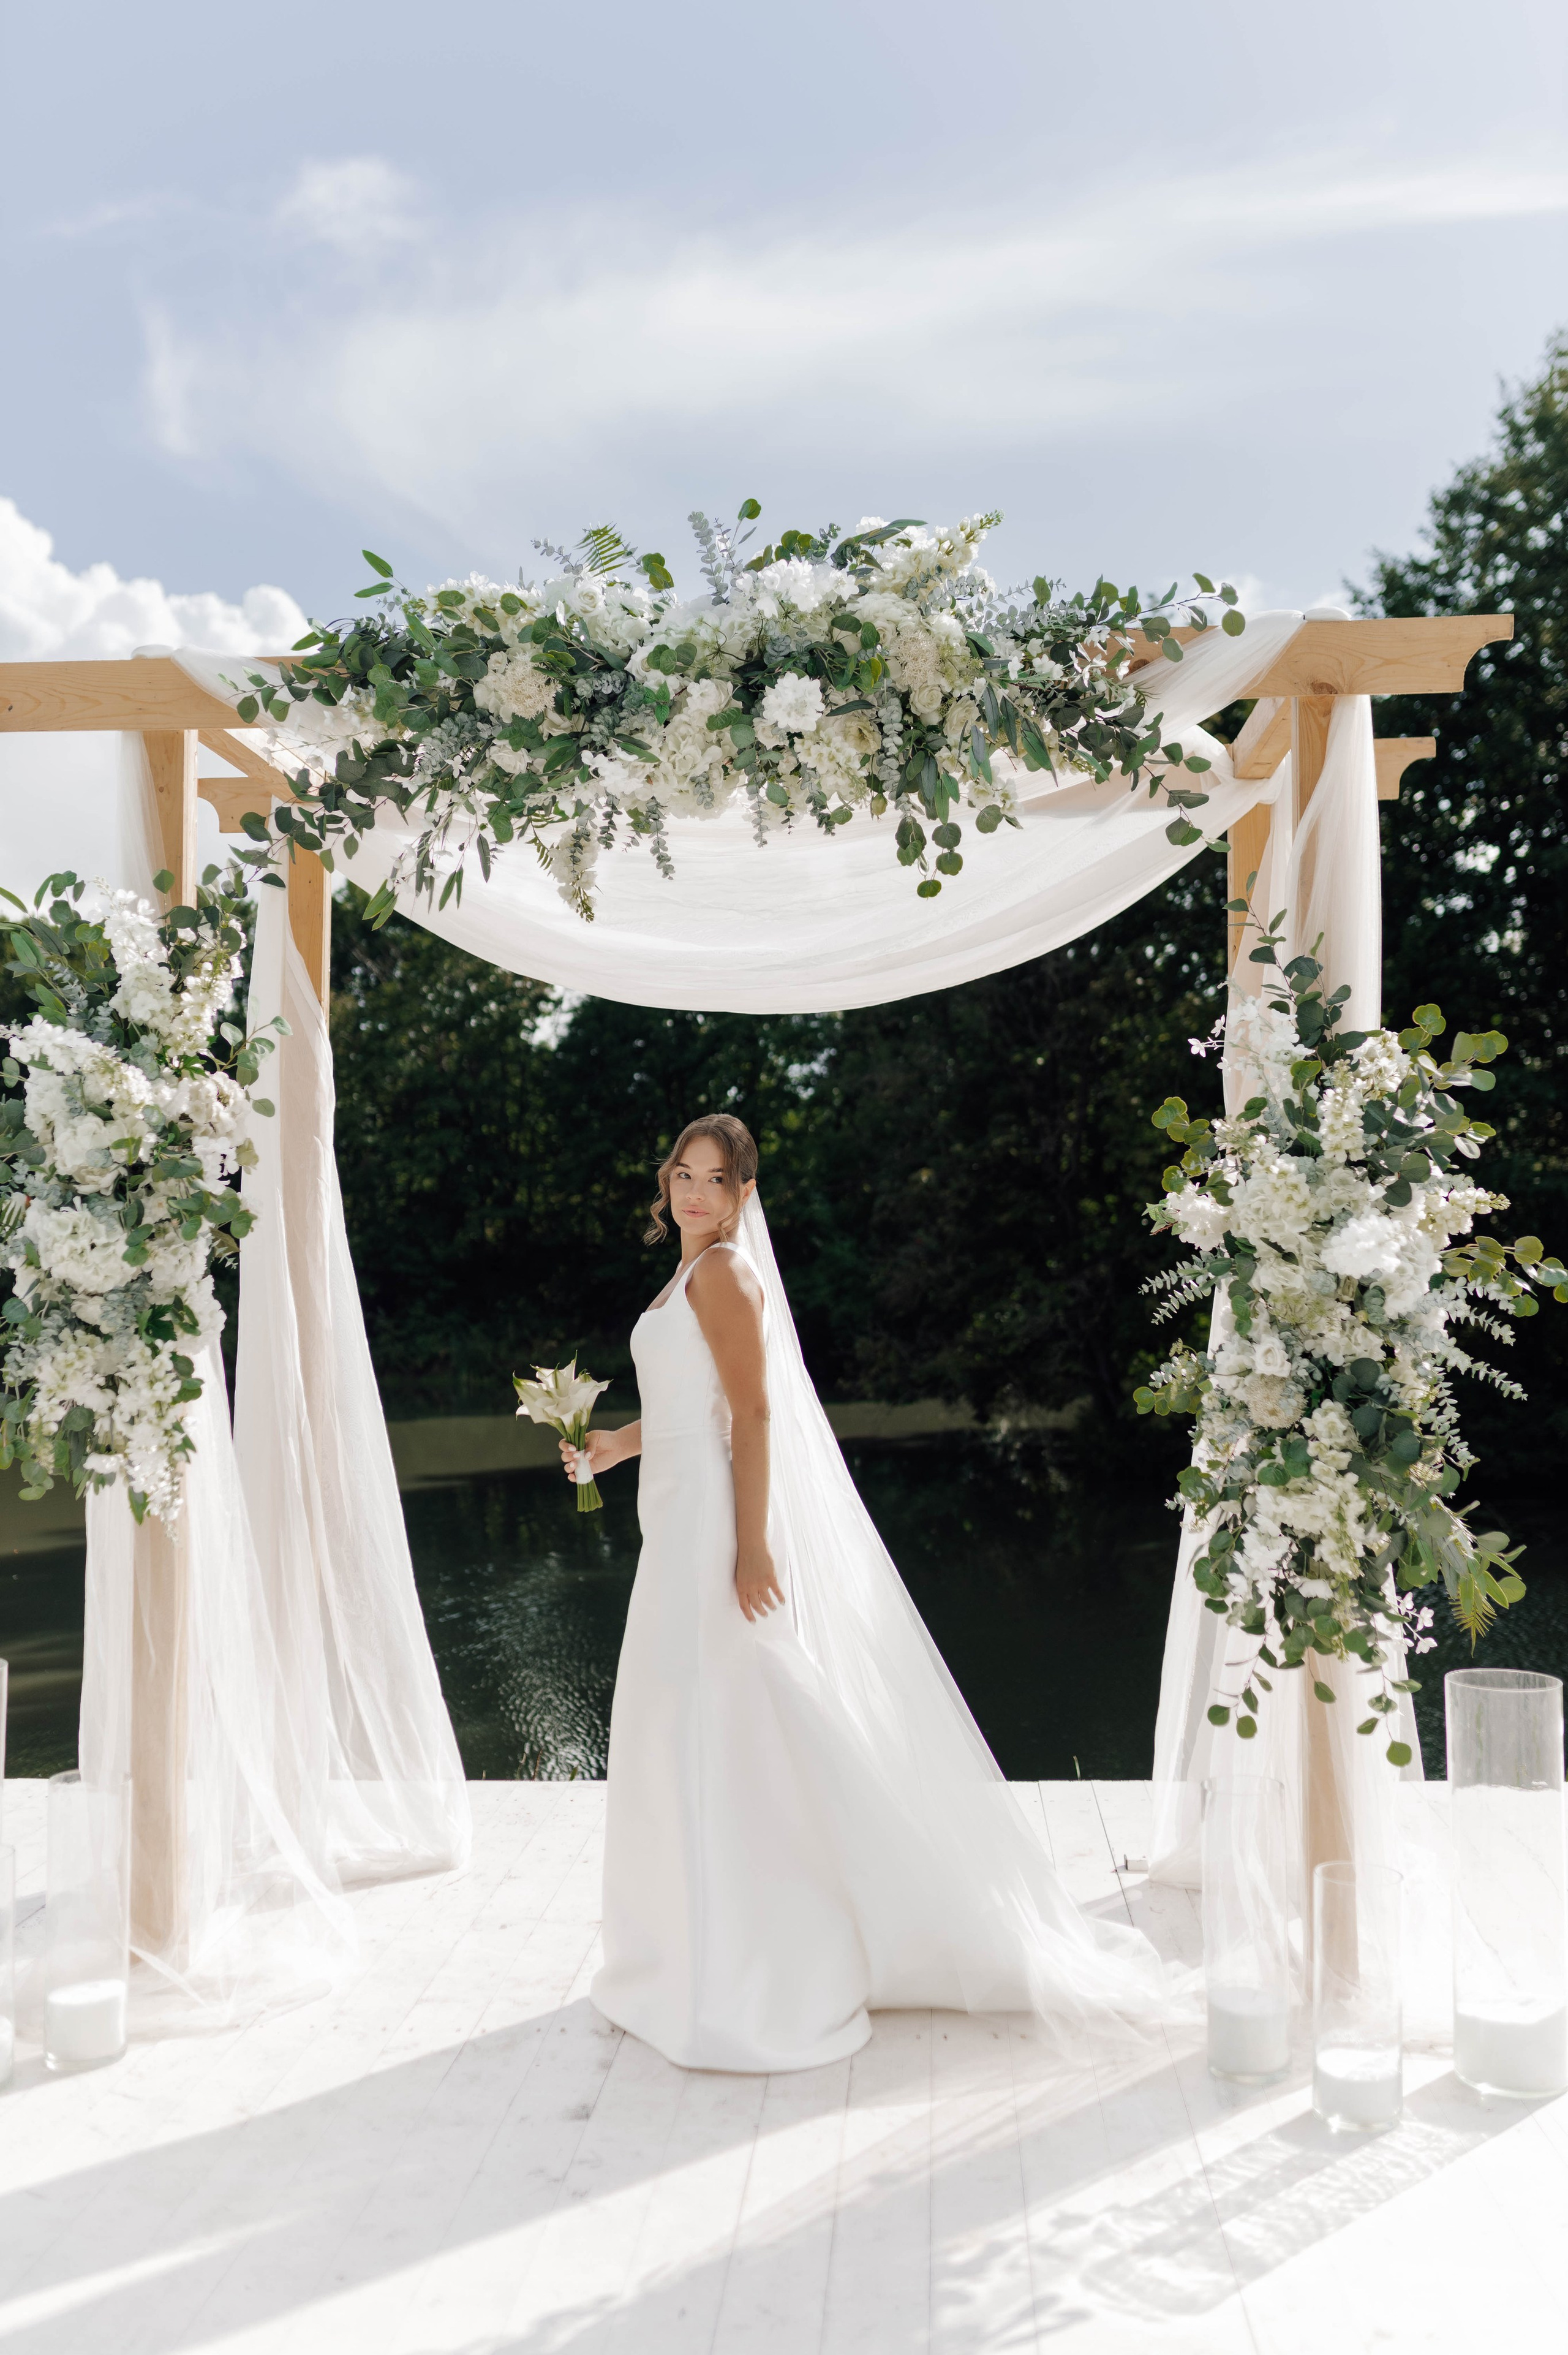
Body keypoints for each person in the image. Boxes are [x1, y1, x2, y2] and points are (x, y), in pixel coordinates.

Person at [564, 1113, 1169, 2073]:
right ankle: (694, 1940)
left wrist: (753, 1546)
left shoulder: (723, 1274)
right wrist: (612, 1446)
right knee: (693, 1709)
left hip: (713, 1523)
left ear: (744, 1195)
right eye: (684, 1174)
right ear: (666, 1181)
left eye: (717, 1180)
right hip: (674, 1516)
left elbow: (755, 1413)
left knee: (725, 1704)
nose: (696, 1193)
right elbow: (691, 1408)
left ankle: (773, 1940)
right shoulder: (685, 1276)